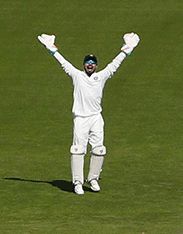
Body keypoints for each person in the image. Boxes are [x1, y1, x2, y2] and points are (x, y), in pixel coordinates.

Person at [38, 32, 139, 195]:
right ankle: (77, 183)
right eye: (87, 62)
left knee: (99, 149)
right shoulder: (77, 75)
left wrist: (127, 50)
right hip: (80, 118)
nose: (90, 65)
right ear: (84, 65)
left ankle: (93, 179)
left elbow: (115, 64)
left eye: (93, 63)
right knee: (78, 149)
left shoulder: (102, 76)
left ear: (96, 66)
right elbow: (64, 63)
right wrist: (51, 48)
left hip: (96, 118)